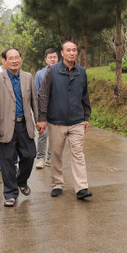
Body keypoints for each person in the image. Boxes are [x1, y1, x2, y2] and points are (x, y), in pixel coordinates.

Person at [38, 40, 92, 200]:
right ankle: (57, 184)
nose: (72, 53)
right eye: (68, 50)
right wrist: (42, 117)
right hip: (56, 121)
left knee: (78, 153)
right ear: (62, 53)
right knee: (56, 154)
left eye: (74, 50)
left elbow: (85, 95)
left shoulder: (81, 71)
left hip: (76, 120)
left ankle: (82, 187)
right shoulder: (52, 71)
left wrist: (86, 117)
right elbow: (43, 94)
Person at [0, 47, 40, 207]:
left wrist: (39, 120)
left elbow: (34, 102)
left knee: (30, 155)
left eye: (17, 57)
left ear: (21, 59)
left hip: (24, 124)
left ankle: (21, 180)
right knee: (7, 161)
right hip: (4, 127)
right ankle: (10, 193)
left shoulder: (28, 77)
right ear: (4, 61)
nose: (15, 61)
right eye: (11, 58)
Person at [32, 48, 59, 170]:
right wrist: (38, 114)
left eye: (55, 57)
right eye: (50, 57)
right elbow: (36, 94)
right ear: (46, 60)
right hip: (44, 110)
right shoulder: (39, 74)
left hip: (58, 110)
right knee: (43, 134)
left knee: (55, 135)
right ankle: (40, 158)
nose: (53, 59)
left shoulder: (62, 71)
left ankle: (50, 157)